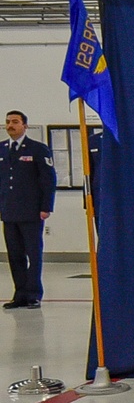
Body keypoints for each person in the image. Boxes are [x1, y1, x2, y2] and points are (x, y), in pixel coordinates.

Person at [1, 110, 56, 310]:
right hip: (9, 212)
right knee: (15, 255)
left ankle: (34, 294)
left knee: (33, 254)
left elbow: (48, 180)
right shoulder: (2, 149)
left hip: (32, 212)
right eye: (7, 122)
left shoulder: (37, 149)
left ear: (25, 125)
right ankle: (20, 295)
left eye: (15, 122)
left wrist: (46, 207)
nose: (10, 125)